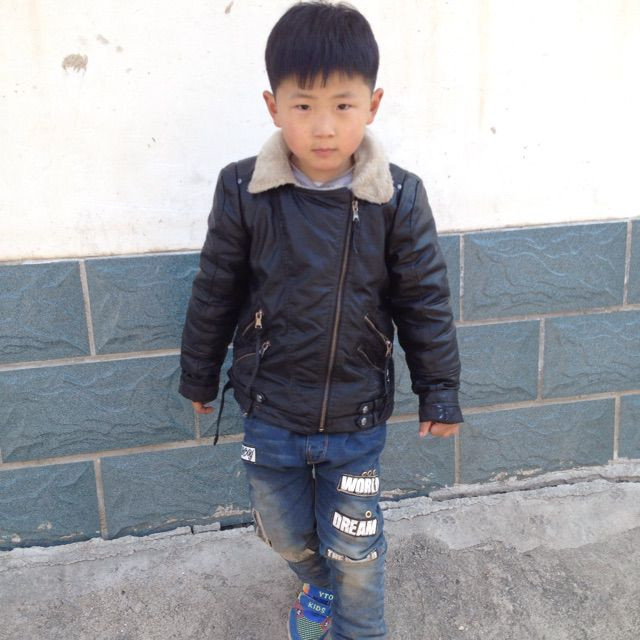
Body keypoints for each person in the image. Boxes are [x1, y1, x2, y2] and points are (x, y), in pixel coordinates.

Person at [178, 2, 464, 638]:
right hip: (270, 411)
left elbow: (424, 301)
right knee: (282, 533)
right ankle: (318, 584)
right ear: (273, 106)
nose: (325, 126)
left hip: (355, 417)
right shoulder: (243, 189)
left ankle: (358, 627)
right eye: (304, 105)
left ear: (373, 104)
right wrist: (198, 375)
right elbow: (216, 288)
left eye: (343, 104)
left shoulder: (398, 197)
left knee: (355, 548)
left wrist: (440, 391)